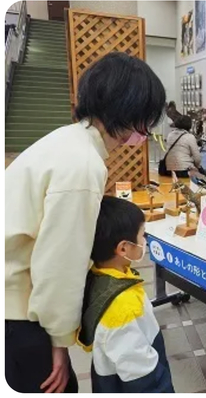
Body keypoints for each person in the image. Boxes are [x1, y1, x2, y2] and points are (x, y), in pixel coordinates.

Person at [5, 52, 165, 394]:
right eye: (143, 121)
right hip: (18, 311)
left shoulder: (66, 140)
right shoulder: (82, 165)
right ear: (127, 110)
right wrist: (59, 343)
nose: (142, 133)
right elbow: (61, 265)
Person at [77, 197, 174, 392]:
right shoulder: (122, 309)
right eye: (142, 235)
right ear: (123, 248)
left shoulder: (100, 276)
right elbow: (142, 376)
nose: (145, 241)